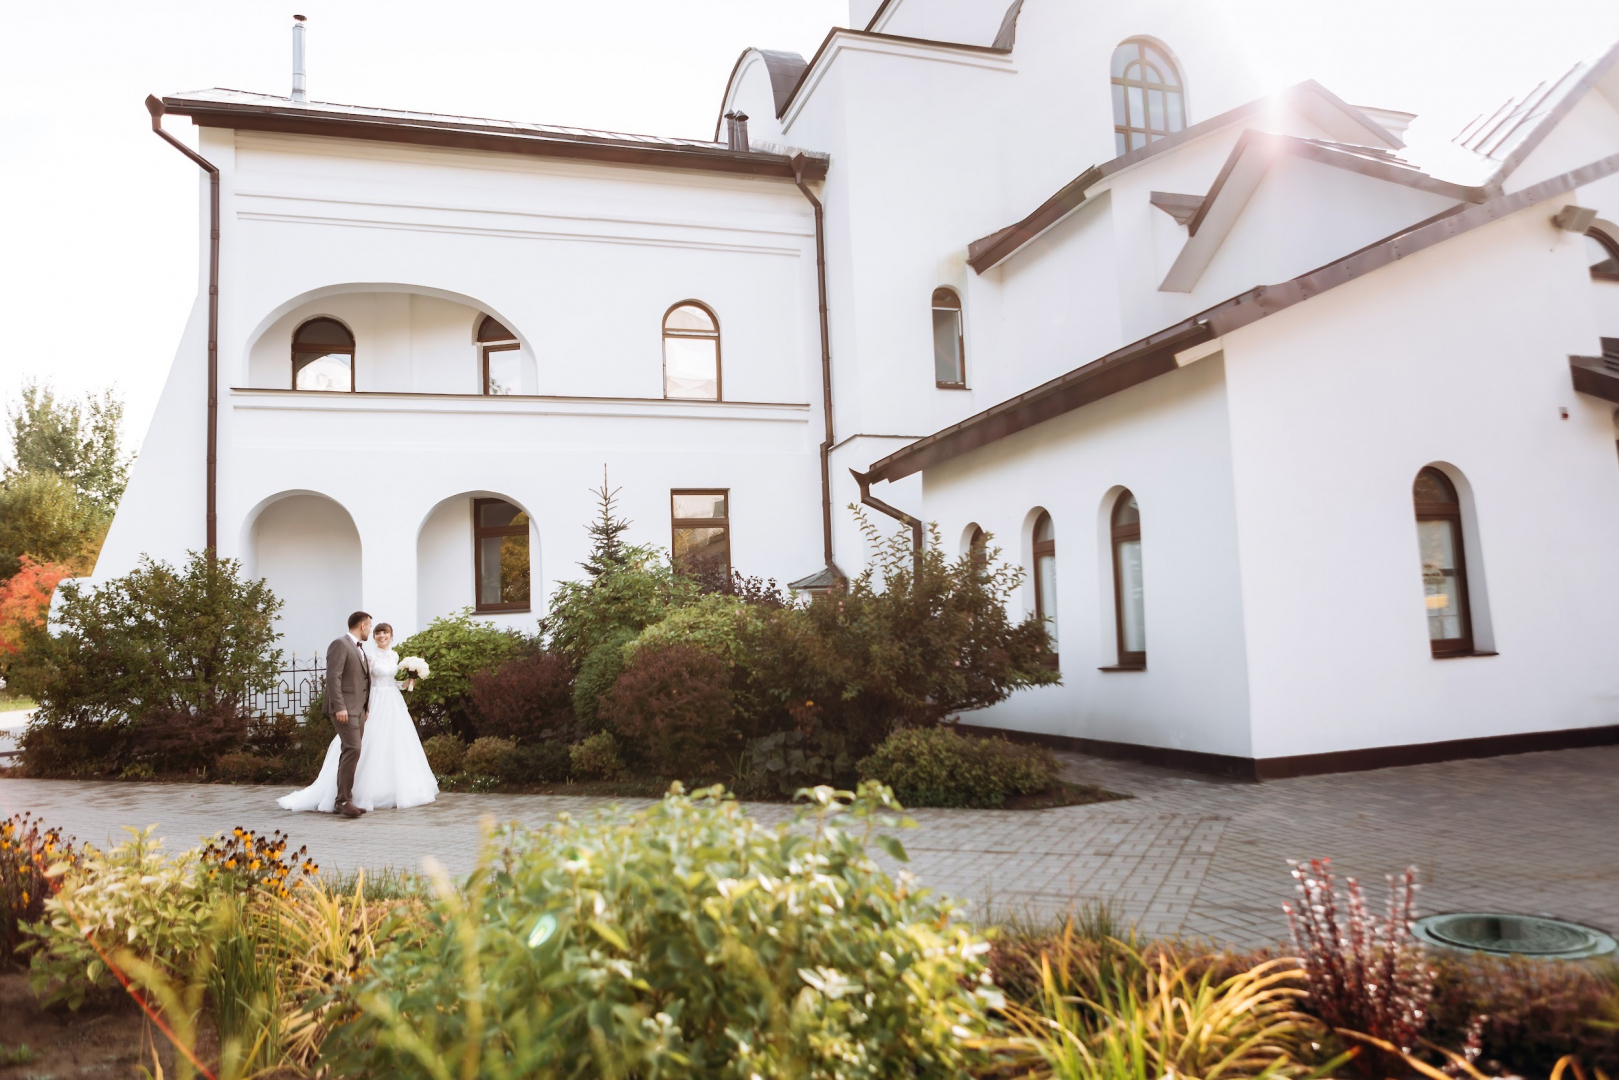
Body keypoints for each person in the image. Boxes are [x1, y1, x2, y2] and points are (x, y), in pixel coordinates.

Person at [277, 614, 439, 813]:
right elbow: (336, 678)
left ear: (391, 635)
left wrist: (407, 682)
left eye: (383, 632)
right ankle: (343, 799)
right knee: (355, 748)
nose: (375, 634)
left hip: (388, 701)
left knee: (377, 746)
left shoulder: (386, 654)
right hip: (364, 704)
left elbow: (369, 683)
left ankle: (347, 799)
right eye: (373, 629)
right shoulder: (346, 646)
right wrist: (344, 707)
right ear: (363, 626)